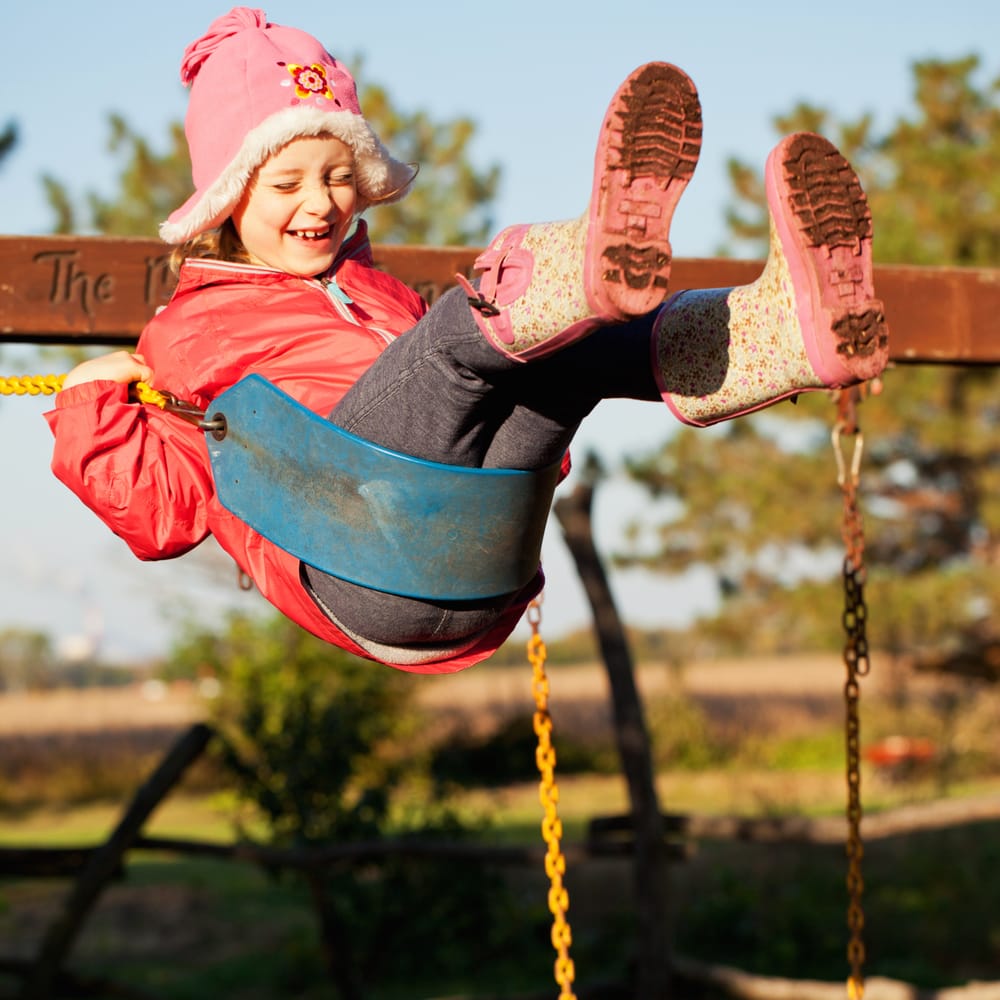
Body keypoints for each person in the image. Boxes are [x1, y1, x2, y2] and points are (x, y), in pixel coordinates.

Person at [46, 8, 888, 674]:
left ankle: (772, 336)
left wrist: (526, 435)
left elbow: (522, 443)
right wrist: (91, 402)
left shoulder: (380, 297)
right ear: (230, 195)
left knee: (561, 367)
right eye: (288, 182)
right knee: (457, 339)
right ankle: (569, 269)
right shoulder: (191, 329)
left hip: (479, 563)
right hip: (350, 558)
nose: (322, 203)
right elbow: (159, 516)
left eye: (341, 176)